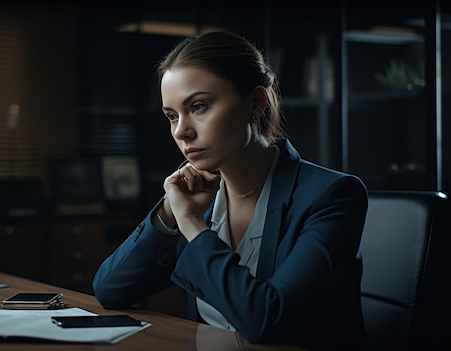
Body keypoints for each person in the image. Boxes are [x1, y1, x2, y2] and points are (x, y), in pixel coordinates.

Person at [92, 30, 368, 350]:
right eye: (171, 116)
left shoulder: (332, 196)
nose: (181, 131)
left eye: (198, 106)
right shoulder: (196, 198)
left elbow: (267, 320)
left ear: (256, 101)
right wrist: (170, 212)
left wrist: (193, 226)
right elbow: (111, 290)